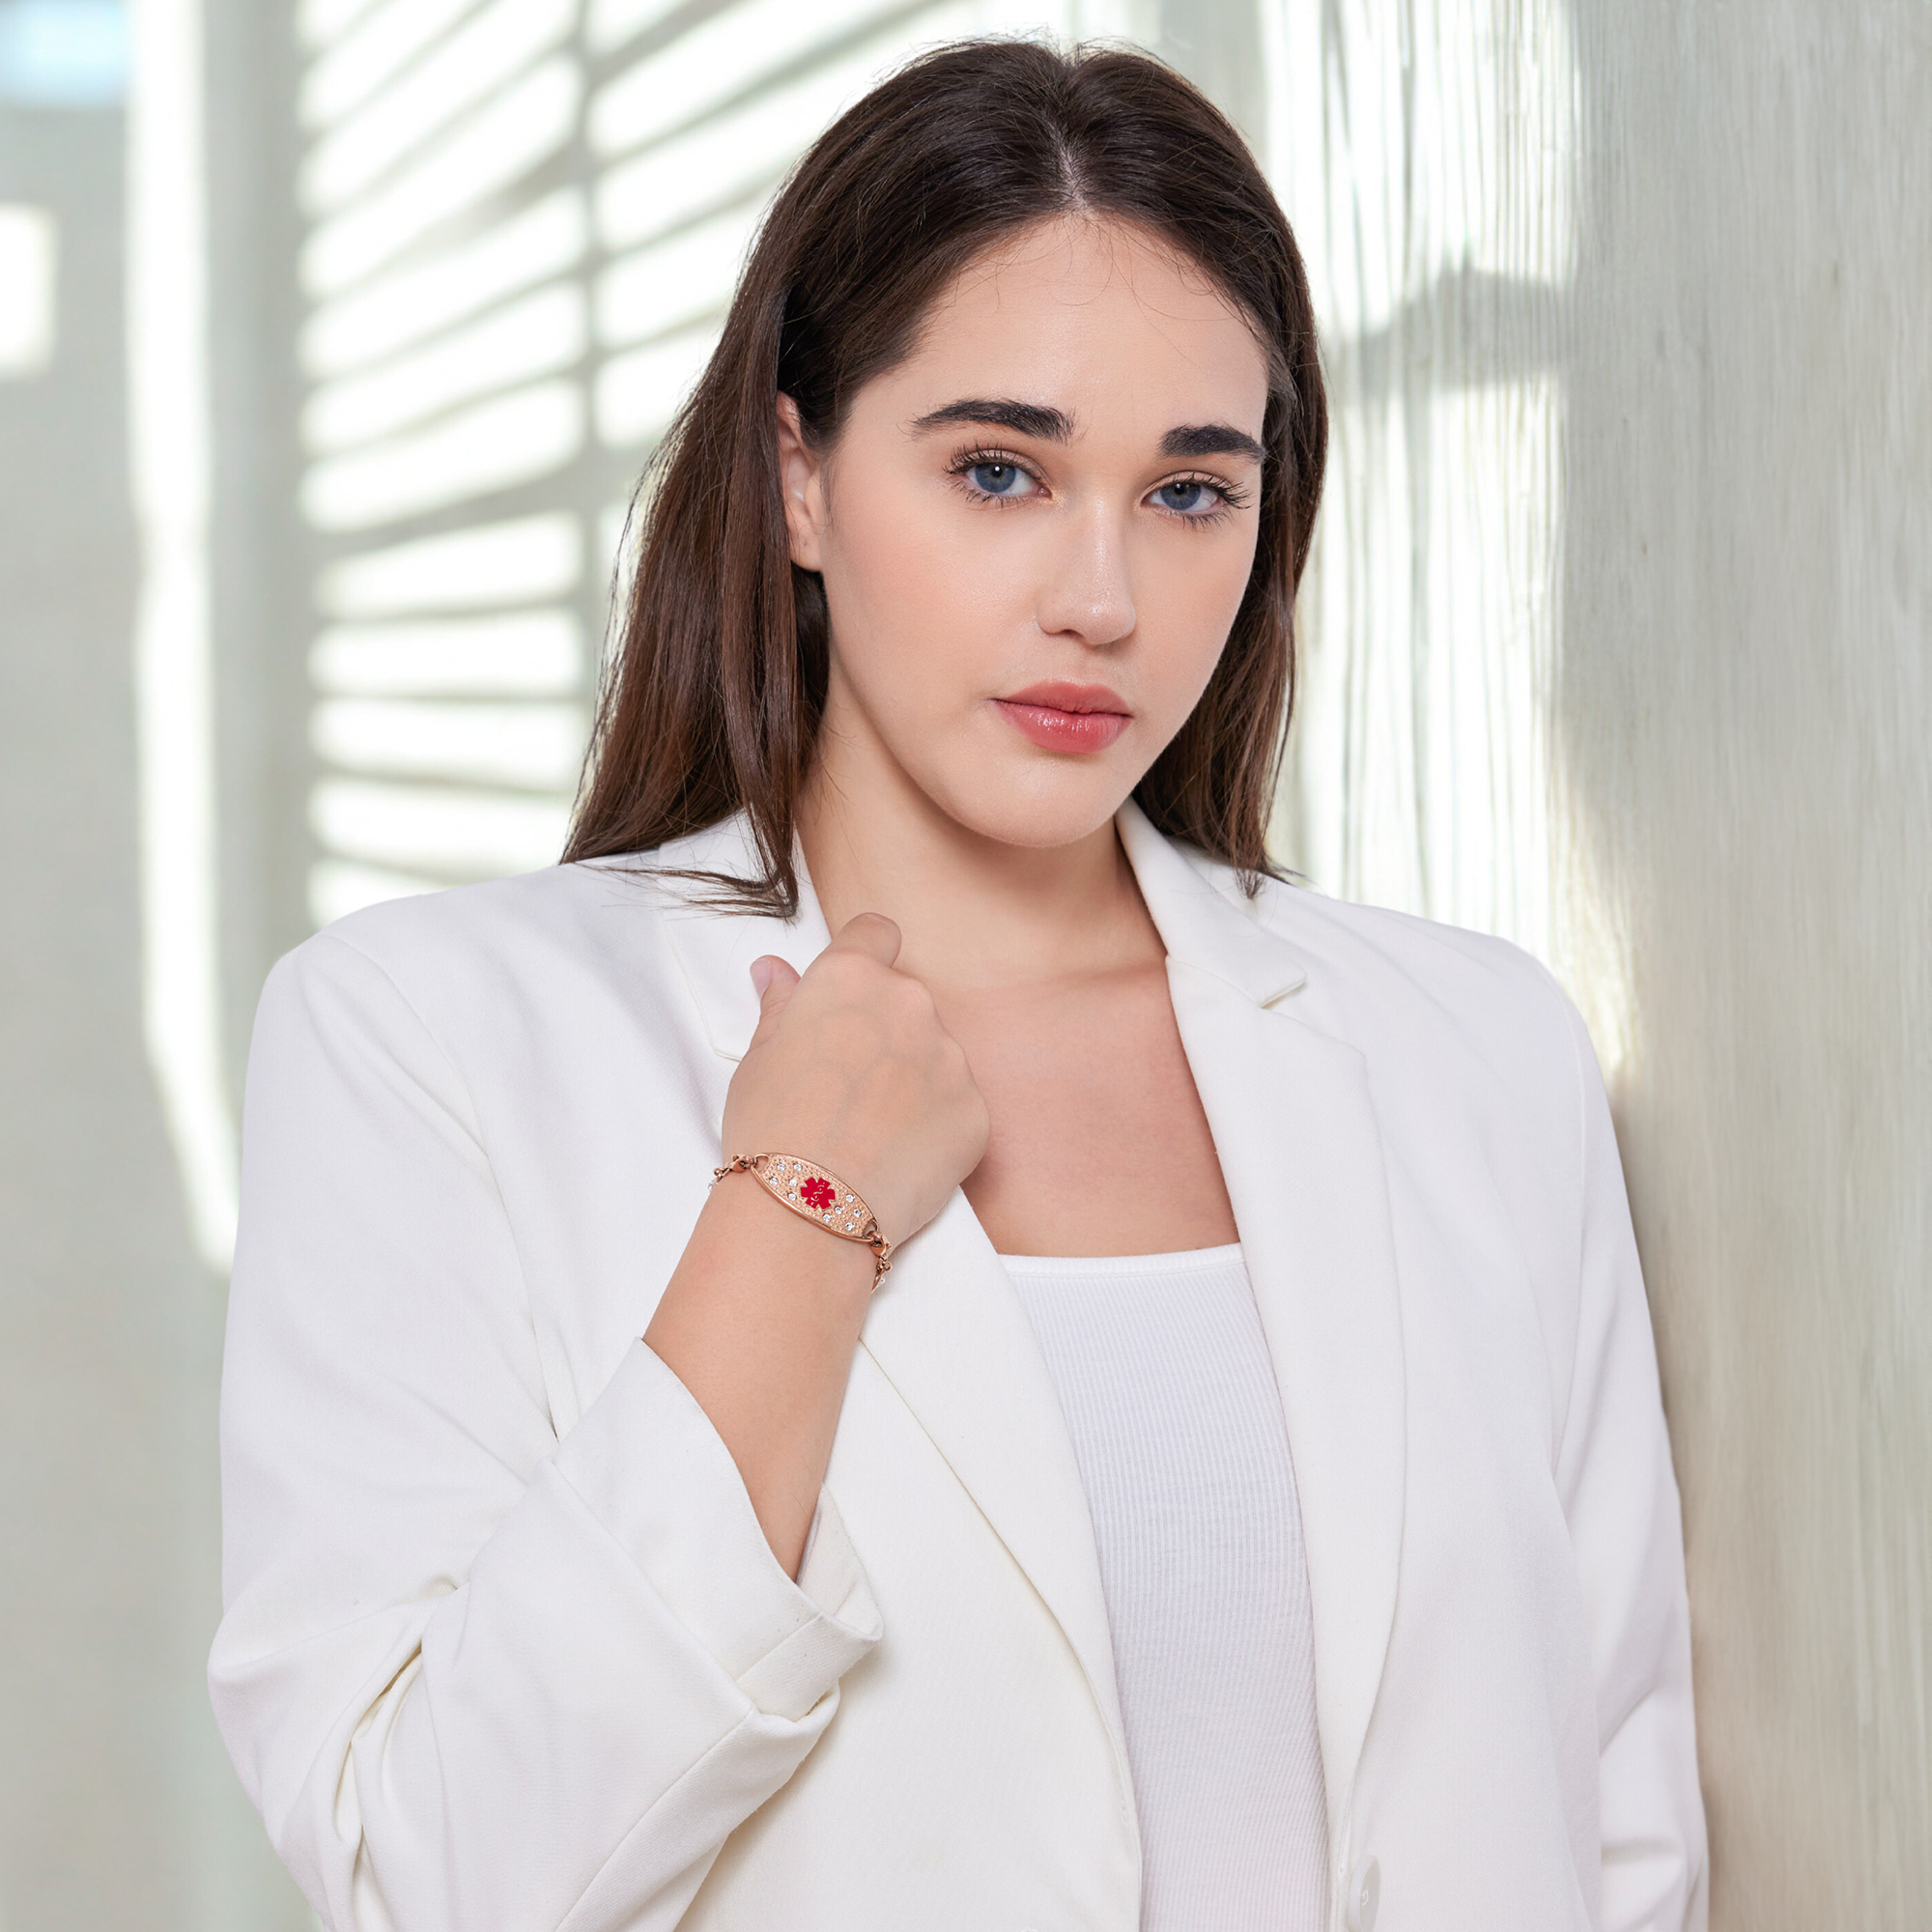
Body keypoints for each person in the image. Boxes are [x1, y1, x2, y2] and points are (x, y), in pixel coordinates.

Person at [210, 39, 1707, 1932]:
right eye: (999, 469)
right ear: (800, 476)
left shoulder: (1473, 1054)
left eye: (1187, 493)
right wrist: (795, 1220)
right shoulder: (433, 1038)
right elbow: (437, 1878)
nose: (1102, 594)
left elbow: (1621, 1836)